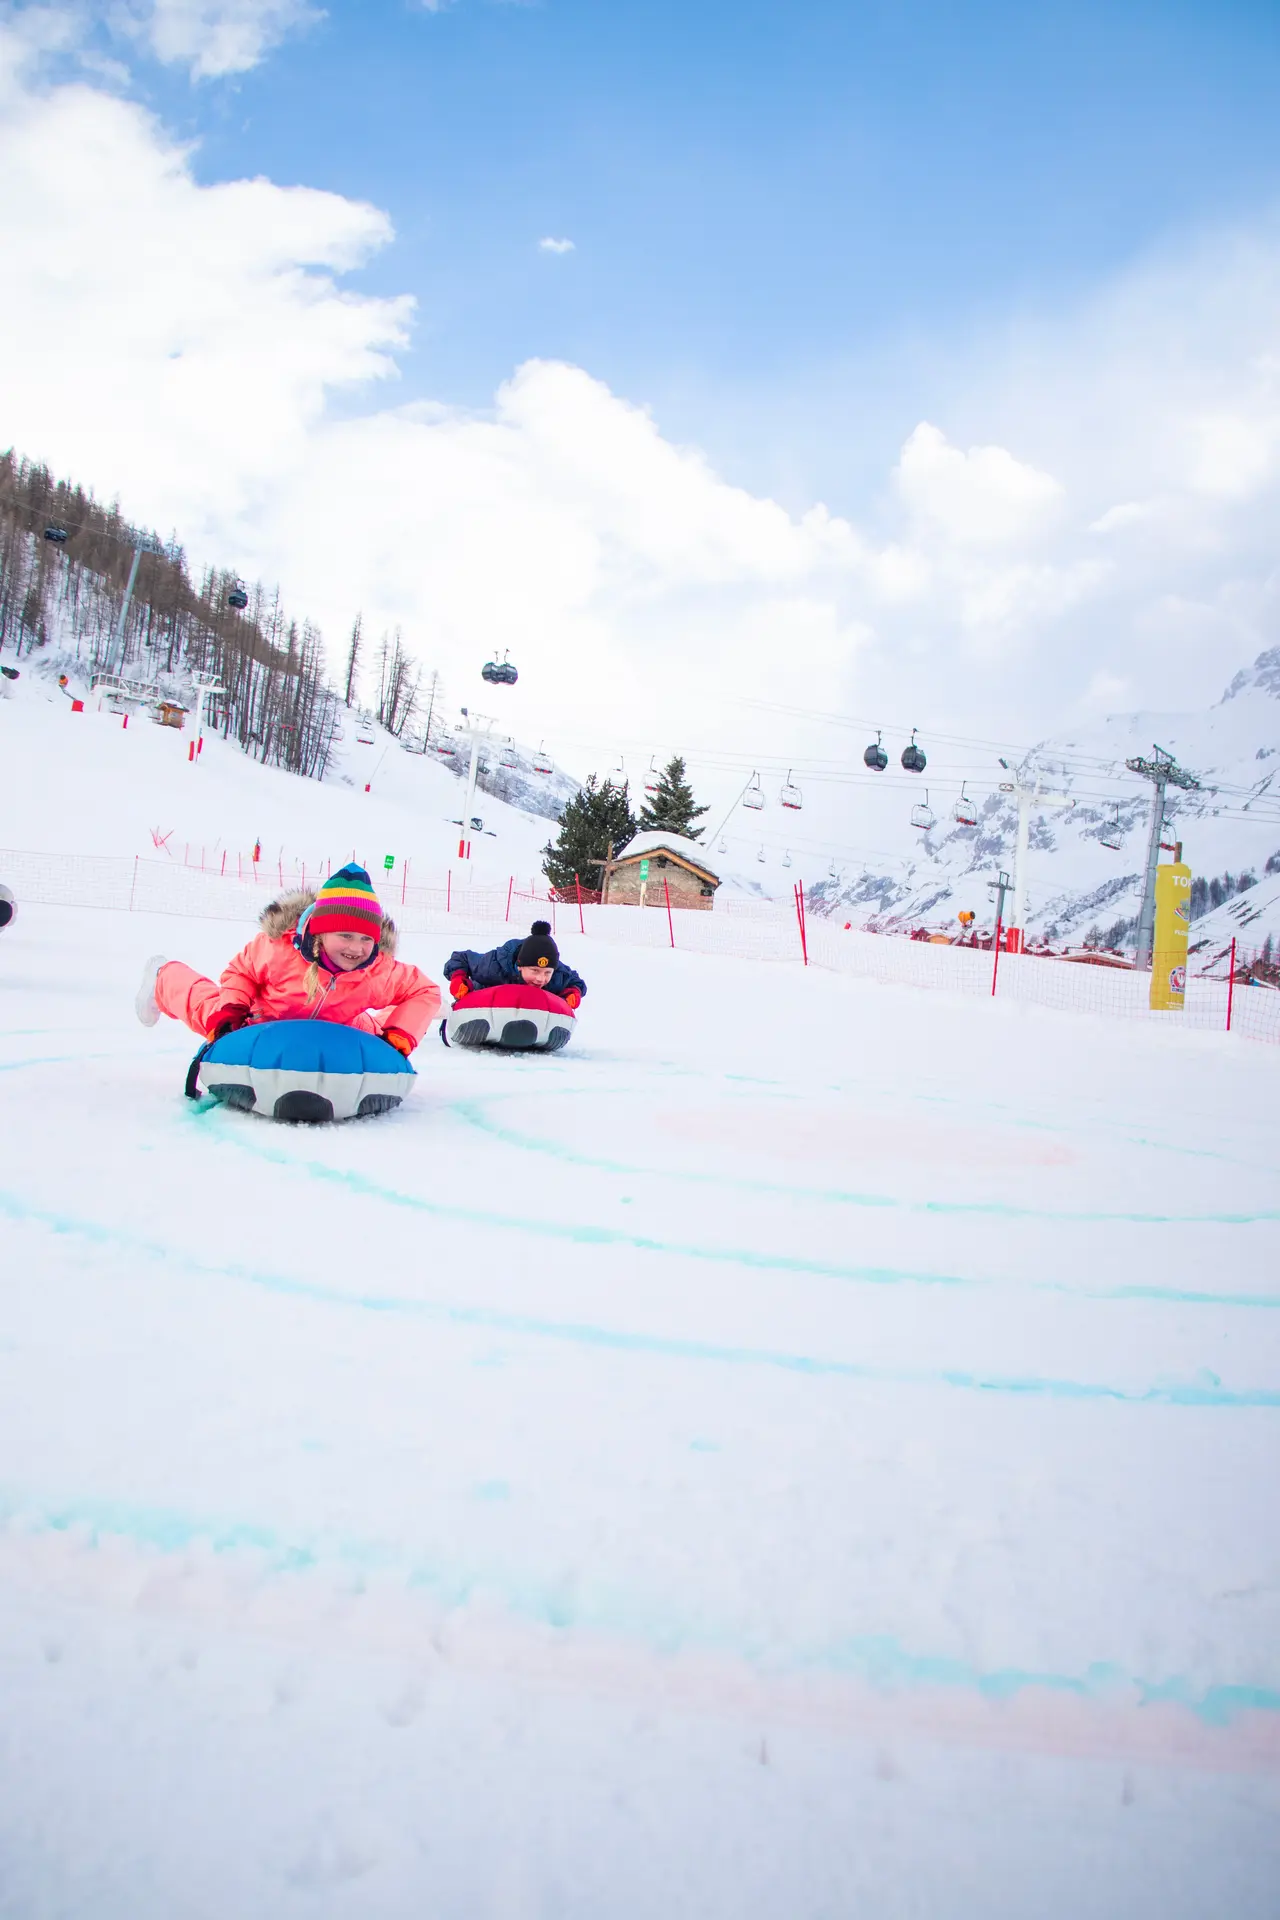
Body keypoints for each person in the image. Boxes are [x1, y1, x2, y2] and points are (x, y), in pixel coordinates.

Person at [135, 864, 440, 1053]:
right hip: (267, 1019)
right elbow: (241, 972)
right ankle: (164, 976)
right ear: (320, 932)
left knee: (376, 1036)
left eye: (365, 938)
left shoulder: (378, 969)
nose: (356, 948)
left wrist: (401, 1034)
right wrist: (231, 1009)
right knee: (207, 1008)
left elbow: (424, 991)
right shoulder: (279, 949)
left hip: (338, 1025)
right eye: (345, 936)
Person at [444, 919, 586, 1009]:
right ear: (519, 965)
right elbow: (461, 958)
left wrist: (573, 993)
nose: (541, 979)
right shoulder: (493, 965)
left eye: (547, 972)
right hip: (485, 1002)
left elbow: (576, 982)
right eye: (534, 971)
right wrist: (458, 978)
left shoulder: (557, 974)